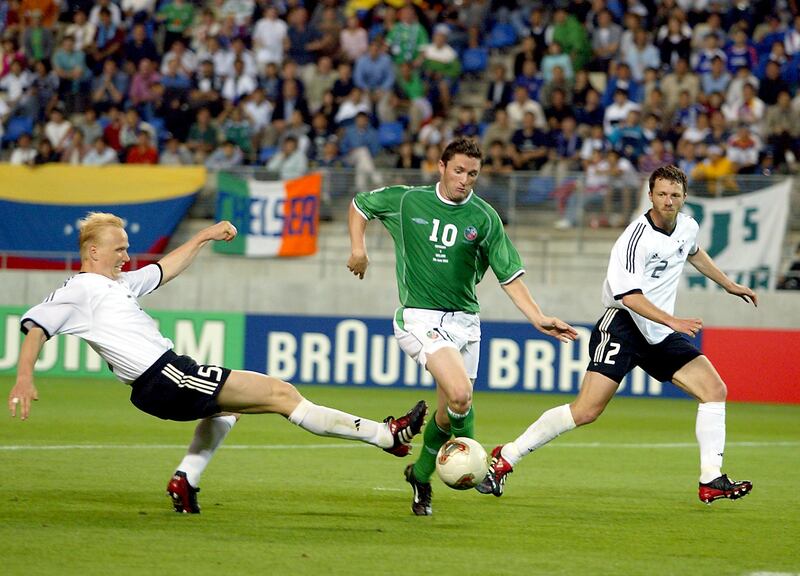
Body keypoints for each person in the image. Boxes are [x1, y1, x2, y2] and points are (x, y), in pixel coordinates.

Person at [8, 213, 427, 514]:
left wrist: (205, 235)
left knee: (230, 411)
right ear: (94, 250)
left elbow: (163, 269)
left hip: (161, 380)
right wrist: (24, 377)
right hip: (165, 376)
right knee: (280, 393)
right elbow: (36, 327)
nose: (126, 256)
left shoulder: (113, 284)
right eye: (120, 249)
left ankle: (185, 480)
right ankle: (385, 435)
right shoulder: (80, 289)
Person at [477, 165, 757, 505]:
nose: (668, 201)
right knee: (586, 411)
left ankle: (711, 479)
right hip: (623, 324)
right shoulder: (634, 238)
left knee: (714, 390)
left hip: (659, 329)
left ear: (685, 198)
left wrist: (728, 284)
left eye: (675, 195)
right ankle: (507, 456)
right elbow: (629, 297)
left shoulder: (687, 226)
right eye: (662, 194)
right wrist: (672, 320)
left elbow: (694, 252)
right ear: (650, 195)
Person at [346, 137, 578, 515]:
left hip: (466, 323)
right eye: (458, 171)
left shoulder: (485, 218)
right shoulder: (408, 200)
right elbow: (359, 205)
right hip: (418, 316)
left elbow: (509, 274)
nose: (465, 179)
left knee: (445, 412)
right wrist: (359, 248)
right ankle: (478, 462)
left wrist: (537, 316)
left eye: (472, 173)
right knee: (460, 394)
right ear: (440, 167)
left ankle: (420, 476)